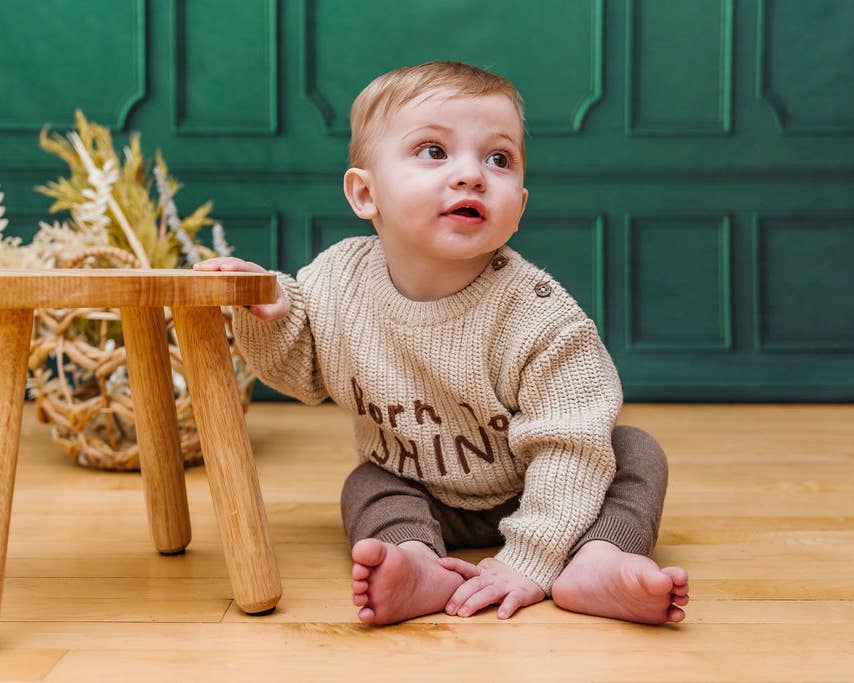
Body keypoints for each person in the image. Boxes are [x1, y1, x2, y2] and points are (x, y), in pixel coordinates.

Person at [195, 61, 689, 626]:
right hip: (422, 488)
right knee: (369, 484)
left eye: (498, 159)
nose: (472, 175)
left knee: (634, 453)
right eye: (434, 151)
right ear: (365, 193)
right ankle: (416, 561)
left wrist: (530, 559)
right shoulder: (336, 281)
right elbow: (302, 373)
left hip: (543, 488)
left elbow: (570, 447)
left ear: (520, 206)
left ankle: (599, 558)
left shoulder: (540, 316)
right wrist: (270, 315)